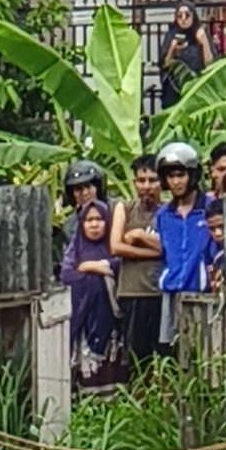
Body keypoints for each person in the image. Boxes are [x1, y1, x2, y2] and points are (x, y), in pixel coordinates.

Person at [150, 141, 220, 349]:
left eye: (181, 175)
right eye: (171, 176)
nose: (176, 182)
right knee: (172, 350)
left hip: (203, 292)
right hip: (172, 292)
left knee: (203, 348)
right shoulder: (163, 215)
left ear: (192, 175)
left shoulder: (208, 208)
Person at [61, 194, 125, 390]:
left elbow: (121, 268)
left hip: (112, 326)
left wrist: (95, 266)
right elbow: (67, 274)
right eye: (89, 220)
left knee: (112, 372)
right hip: (83, 326)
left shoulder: (115, 249)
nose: (94, 224)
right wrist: (92, 269)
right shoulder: (75, 251)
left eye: (99, 219)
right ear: (81, 224)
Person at [113, 155, 167, 366]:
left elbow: (173, 247)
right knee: (136, 359)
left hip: (162, 293)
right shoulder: (124, 208)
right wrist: (156, 252)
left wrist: (139, 236)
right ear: (134, 182)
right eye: (141, 180)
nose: (146, 186)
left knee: (165, 358)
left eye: (152, 180)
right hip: (132, 293)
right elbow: (116, 246)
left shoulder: (170, 211)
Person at [157, 5, 212, 108]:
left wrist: (204, 42)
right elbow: (165, 65)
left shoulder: (200, 34)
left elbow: (210, 64)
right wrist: (172, 49)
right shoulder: (171, 35)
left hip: (196, 87)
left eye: (187, 15)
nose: (183, 19)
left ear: (193, 17)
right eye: (179, 16)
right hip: (174, 89)